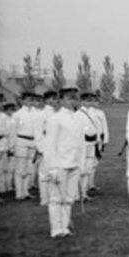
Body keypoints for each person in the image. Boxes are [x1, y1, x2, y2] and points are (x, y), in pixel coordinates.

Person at [43, 88, 83, 238]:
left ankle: (65, 227)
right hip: (59, 163)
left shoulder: (77, 118)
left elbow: (81, 144)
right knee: (56, 198)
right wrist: (52, 167)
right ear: (61, 100)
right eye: (68, 98)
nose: (71, 101)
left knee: (68, 198)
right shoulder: (55, 118)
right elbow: (50, 145)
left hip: (74, 162)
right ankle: (56, 229)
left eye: (74, 98)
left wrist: (81, 163)